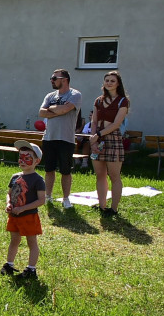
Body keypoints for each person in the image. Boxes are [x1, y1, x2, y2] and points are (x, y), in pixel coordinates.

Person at [0, 141, 47, 280]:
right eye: (20, 157)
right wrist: (9, 204)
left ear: (36, 161)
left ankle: (31, 269)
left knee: (31, 242)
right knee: (14, 240)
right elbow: (9, 193)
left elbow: (41, 200)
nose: (23, 161)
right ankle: (9, 264)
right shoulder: (15, 177)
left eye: (27, 158)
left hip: (29, 216)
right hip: (14, 216)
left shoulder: (38, 180)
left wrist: (23, 208)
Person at [38, 68, 82, 209]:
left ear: (64, 79)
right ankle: (48, 196)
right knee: (49, 169)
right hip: (49, 137)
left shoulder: (75, 94)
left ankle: (66, 198)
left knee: (65, 171)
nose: (51, 80)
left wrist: (52, 110)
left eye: (54, 78)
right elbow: (41, 112)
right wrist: (59, 109)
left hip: (66, 138)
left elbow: (64, 110)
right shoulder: (50, 95)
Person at [90, 71, 130, 216]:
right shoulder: (98, 100)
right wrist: (93, 138)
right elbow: (94, 121)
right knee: (100, 174)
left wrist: (98, 135)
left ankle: (113, 209)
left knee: (114, 176)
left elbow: (116, 124)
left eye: (112, 81)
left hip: (113, 139)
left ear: (118, 83)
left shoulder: (122, 101)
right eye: (107, 80)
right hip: (98, 139)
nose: (109, 83)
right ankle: (102, 205)